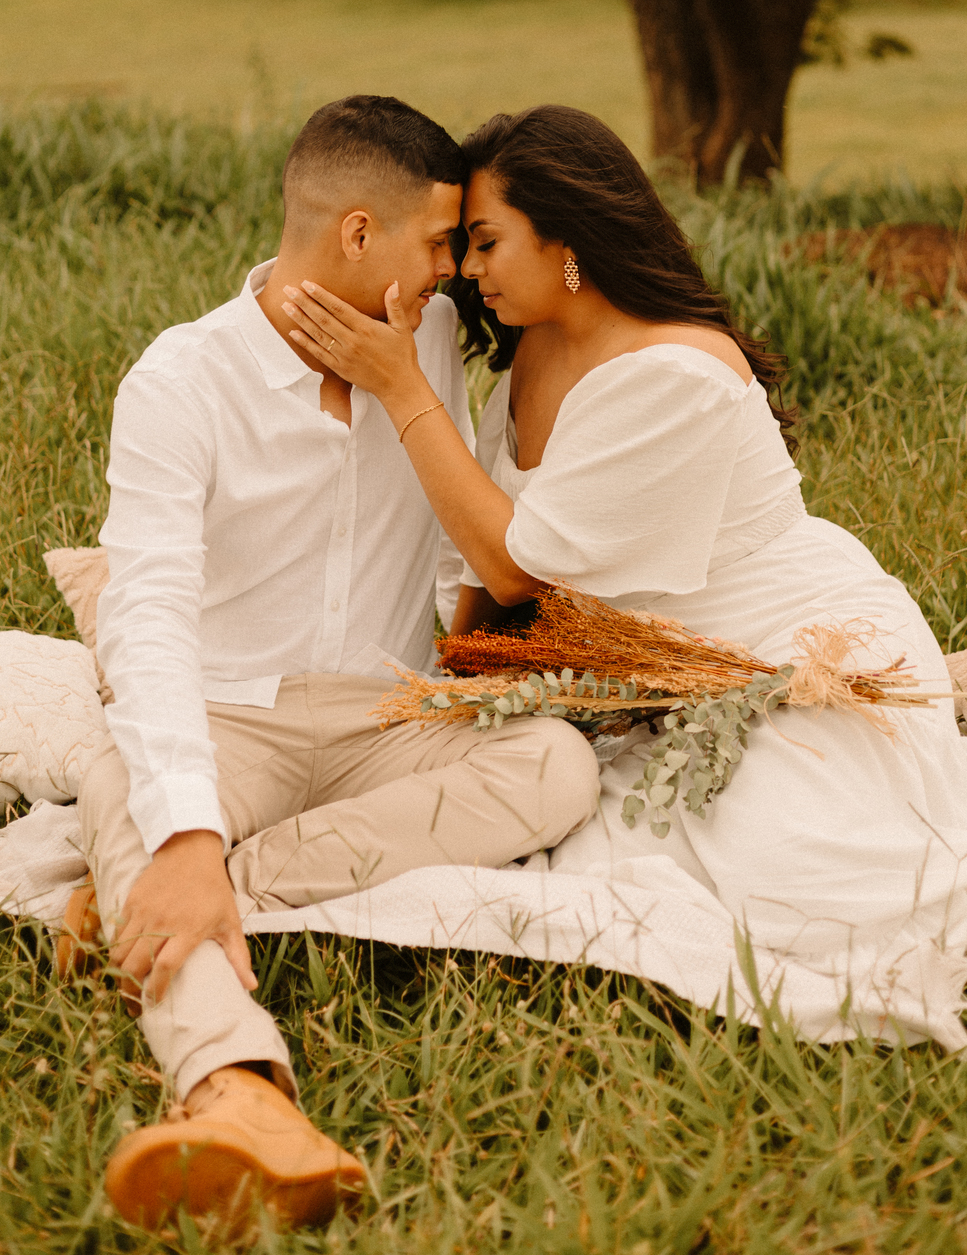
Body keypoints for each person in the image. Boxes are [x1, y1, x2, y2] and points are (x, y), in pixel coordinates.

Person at [280, 103, 967, 1029]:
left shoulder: (675, 373)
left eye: (486, 242)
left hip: (785, 649)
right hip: (645, 668)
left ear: (567, 238)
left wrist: (402, 386)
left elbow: (520, 566)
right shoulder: (532, 354)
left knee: (773, 860)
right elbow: (486, 575)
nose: (468, 269)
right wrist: (455, 692)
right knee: (541, 797)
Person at [80, 96, 600, 1234]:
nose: (454, 272)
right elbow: (147, 611)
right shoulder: (181, 380)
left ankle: (201, 892)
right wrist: (187, 824)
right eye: (439, 243)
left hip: (385, 717)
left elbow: (467, 541)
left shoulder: (424, 340)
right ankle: (236, 1089)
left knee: (557, 764)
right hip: (235, 716)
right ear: (358, 235)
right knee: (120, 779)